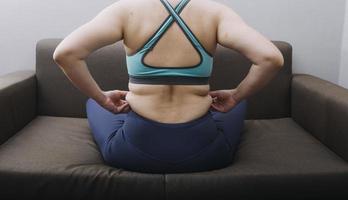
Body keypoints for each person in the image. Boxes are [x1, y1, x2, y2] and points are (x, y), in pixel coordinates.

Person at [53, 0, 284, 173]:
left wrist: (103, 99)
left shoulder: (125, 10)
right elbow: (271, 59)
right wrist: (235, 96)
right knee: (238, 105)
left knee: (93, 102)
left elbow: (66, 53)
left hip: (132, 153)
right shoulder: (215, 12)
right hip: (207, 155)